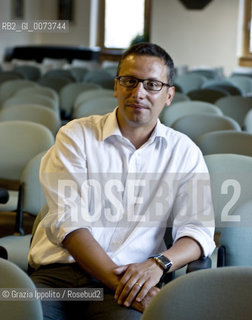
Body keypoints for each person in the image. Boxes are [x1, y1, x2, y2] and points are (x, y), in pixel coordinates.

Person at [29, 42, 215, 320]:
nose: (138, 93)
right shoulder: (75, 135)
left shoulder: (184, 152)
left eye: (152, 84)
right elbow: (70, 223)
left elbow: (198, 230)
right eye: (129, 81)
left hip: (131, 278)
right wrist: (126, 287)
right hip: (59, 278)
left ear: (169, 95)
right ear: (116, 87)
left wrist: (159, 263)